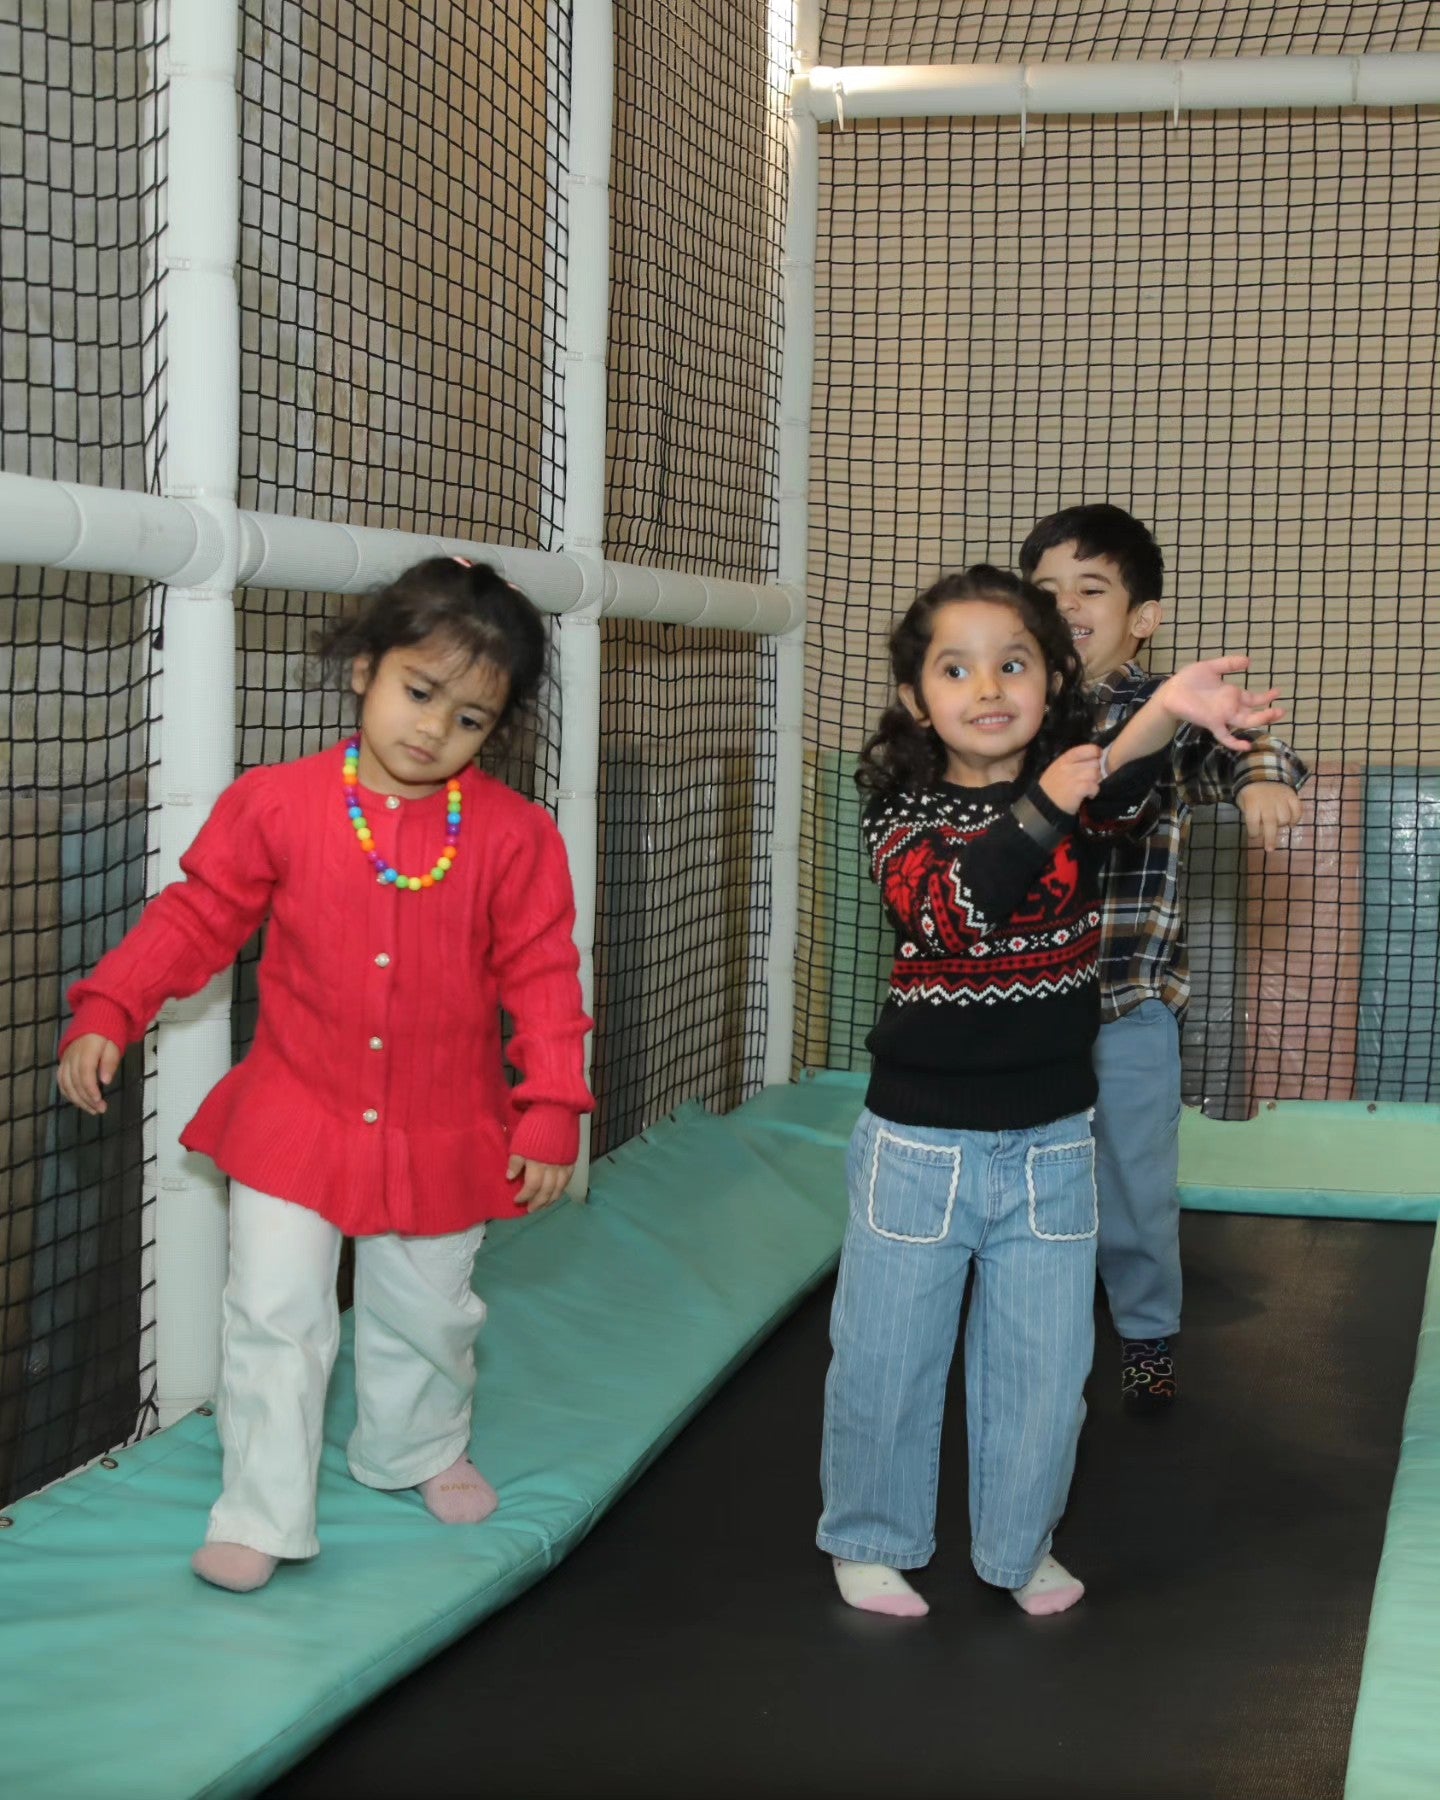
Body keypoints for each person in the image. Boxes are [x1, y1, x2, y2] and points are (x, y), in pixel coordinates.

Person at [57, 555, 593, 1593]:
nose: (433, 729)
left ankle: (417, 1447)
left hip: (442, 1127)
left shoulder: (515, 839)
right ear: (365, 672)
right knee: (273, 1310)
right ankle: (260, 1507)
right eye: (418, 691)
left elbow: (543, 978)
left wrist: (552, 1108)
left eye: (471, 718)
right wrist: (114, 1005)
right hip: (297, 1112)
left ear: (499, 731)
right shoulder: (280, 805)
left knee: (429, 1311)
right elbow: (198, 916)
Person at [817, 565, 1285, 1619]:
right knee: (889, 1360)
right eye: (957, 666)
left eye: (1015, 662)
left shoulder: (1082, 796)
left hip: (1052, 1140)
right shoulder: (903, 807)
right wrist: (1046, 801)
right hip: (921, 1144)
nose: (989, 686)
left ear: (1054, 678)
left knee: (1044, 1368)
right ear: (914, 698)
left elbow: (1118, 785)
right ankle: (870, 1535)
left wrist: (1166, 711)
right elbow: (950, 913)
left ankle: (1018, 1544)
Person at [1020, 505, 1307, 1403]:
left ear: (1142, 616)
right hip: (1024, 1003)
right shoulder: (1016, 705)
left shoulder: (1166, 712)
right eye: (1047, 591)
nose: (1066, 604)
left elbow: (1248, 748)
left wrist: (1261, 786)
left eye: (1091, 589)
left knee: (1136, 1179)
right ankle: (1025, 1321)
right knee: (1023, 1172)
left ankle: (1146, 1332)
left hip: (1127, 1001)